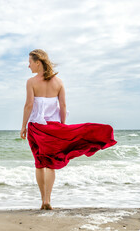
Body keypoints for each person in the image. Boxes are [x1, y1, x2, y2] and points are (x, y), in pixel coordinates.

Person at [20, 49, 117, 211]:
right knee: (50, 164)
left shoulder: (31, 82)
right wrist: (63, 127)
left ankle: (42, 199)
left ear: (38, 62)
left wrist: (23, 126)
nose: (28, 65)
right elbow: (63, 106)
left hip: (37, 128)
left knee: (39, 163)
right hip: (54, 128)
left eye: (29, 62)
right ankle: (48, 200)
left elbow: (29, 105)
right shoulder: (59, 82)